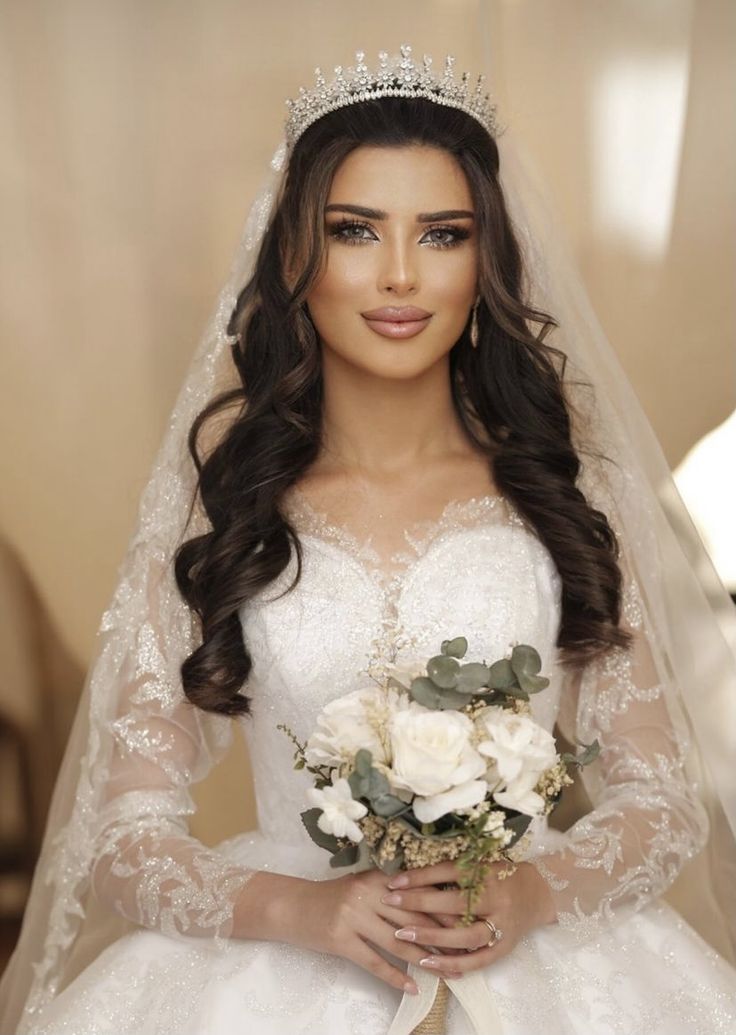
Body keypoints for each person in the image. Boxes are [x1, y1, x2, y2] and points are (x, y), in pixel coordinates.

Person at [1, 44, 735, 1035]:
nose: (398, 275)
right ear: (295, 258)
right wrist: (294, 907)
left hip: (546, 961)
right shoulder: (222, 510)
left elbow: (660, 801)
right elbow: (122, 830)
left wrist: (532, 893)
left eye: (442, 234)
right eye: (355, 231)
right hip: (278, 968)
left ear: (487, 261)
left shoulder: (565, 496)